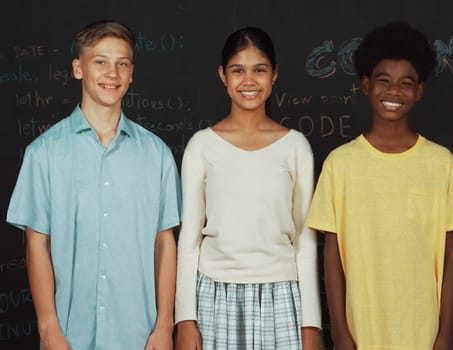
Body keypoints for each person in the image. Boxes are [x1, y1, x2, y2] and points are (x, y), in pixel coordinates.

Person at [6, 20, 181, 350]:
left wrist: (164, 325)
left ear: (131, 73)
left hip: (140, 336)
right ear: (78, 69)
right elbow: (37, 245)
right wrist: (48, 329)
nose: (111, 74)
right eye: (100, 61)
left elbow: (165, 244)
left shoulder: (156, 154)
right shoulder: (43, 153)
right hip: (69, 337)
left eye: (122, 63)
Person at [305, 22, 453, 350]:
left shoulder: (441, 163)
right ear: (366, 85)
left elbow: (450, 253)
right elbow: (331, 255)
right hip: (361, 331)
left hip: (423, 332)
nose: (394, 92)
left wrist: (445, 332)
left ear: (420, 91)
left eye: (405, 83)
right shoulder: (341, 164)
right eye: (384, 81)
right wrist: (340, 333)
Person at [174, 26, 321, 350]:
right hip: (214, 295)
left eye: (259, 70)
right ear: (223, 76)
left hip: (280, 295)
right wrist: (185, 319)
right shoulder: (202, 146)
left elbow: (305, 239)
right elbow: (189, 238)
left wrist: (311, 324)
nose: (249, 80)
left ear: (275, 74)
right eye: (238, 70)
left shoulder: (296, 147)